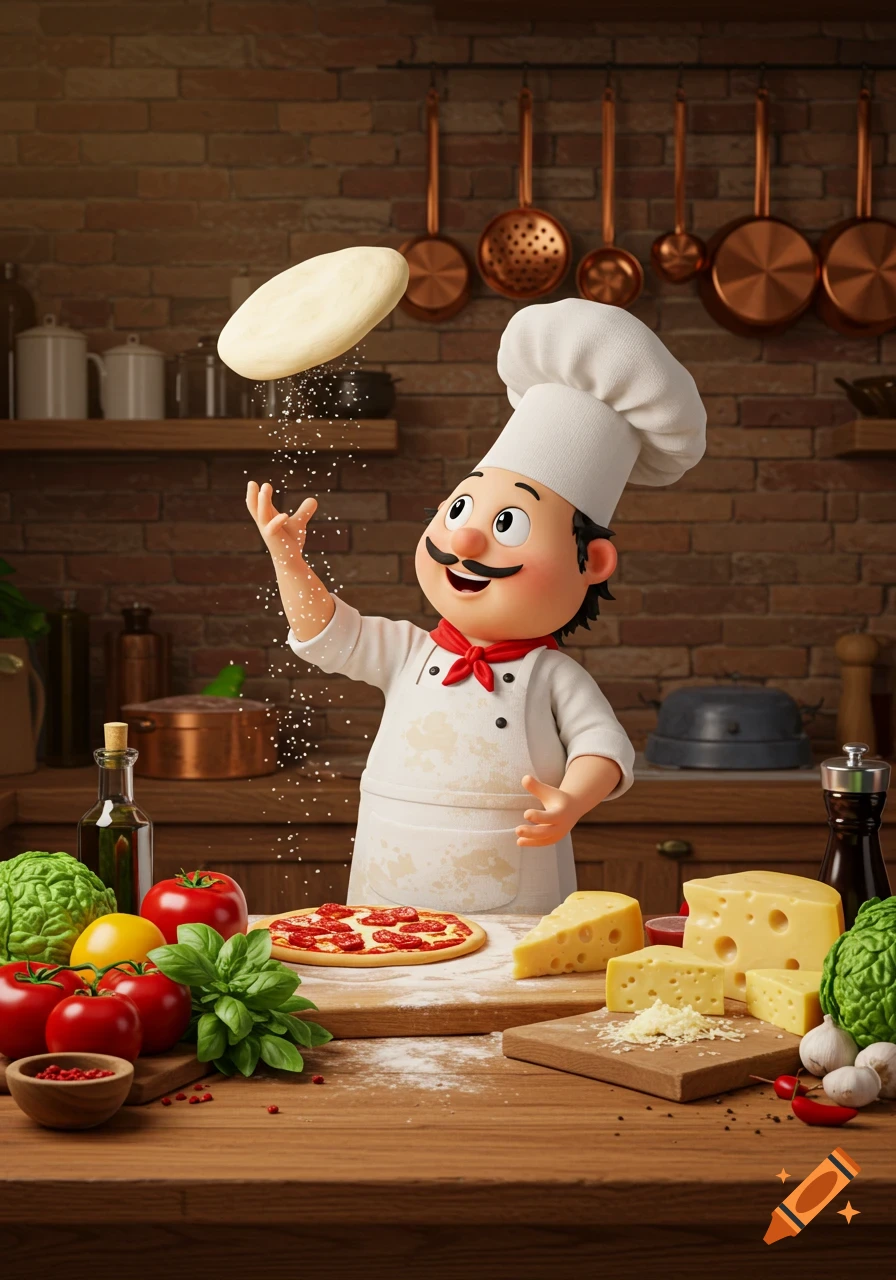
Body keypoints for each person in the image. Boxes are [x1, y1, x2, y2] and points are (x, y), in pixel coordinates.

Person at [248, 298, 706, 914]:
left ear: (591, 564)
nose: (464, 540)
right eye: (459, 509)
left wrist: (570, 800)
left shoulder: (552, 676)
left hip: (513, 897)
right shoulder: (409, 652)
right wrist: (290, 563)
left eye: (510, 523)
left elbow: (604, 748)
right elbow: (329, 634)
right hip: (386, 891)